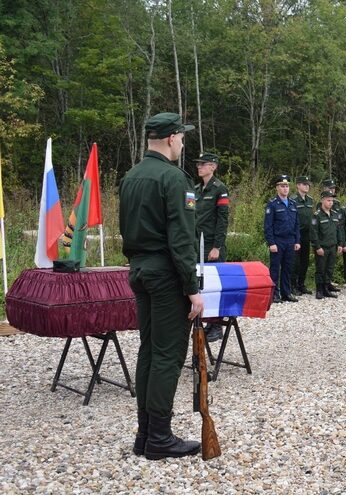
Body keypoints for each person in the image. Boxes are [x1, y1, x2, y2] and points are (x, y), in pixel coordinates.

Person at [119, 112, 202, 460]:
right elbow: (181, 239)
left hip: (139, 270)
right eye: (182, 137)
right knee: (168, 356)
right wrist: (192, 287)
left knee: (149, 352)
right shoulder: (173, 179)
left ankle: (145, 434)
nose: (183, 142)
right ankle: (159, 438)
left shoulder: (131, 176)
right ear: (171, 138)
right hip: (167, 275)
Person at [193, 152, 229, 342]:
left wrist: (217, 246)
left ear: (213, 167)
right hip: (196, 244)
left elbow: (223, 220)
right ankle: (205, 321)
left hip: (212, 245)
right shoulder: (196, 189)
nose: (199, 167)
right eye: (198, 164)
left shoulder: (219, 189)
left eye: (203, 164)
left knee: (214, 286)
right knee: (200, 286)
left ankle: (216, 325)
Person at [264, 175, 301, 303]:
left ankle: (286, 292)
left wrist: (297, 240)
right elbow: (268, 226)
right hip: (278, 241)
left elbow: (297, 224)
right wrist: (271, 243)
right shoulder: (272, 204)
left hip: (290, 240)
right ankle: (274, 294)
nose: (285, 189)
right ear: (277, 188)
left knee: (288, 268)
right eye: (282, 186)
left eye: (287, 186)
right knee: (275, 269)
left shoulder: (293, 203)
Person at [311, 190, 344, 299]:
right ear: (322, 201)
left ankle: (326, 288)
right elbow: (314, 233)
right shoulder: (317, 215)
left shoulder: (335, 214)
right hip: (322, 247)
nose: (331, 202)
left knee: (329, 269)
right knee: (320, 269)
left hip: (332, 246)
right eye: (328, 200)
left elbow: (338, 230)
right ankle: (319, 290)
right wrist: (317, 247)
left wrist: (340, 244)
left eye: (332, 201)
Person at [292, 176, 314, 296]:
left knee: (305, 261)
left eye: (308, 184)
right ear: (298, 185)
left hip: (307, 234)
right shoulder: (293, 200)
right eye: (304, 184)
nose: (307, 186)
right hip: (297, 234)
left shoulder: (310, 200)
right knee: (295, 262)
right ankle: (293, 285)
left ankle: (301, 284)